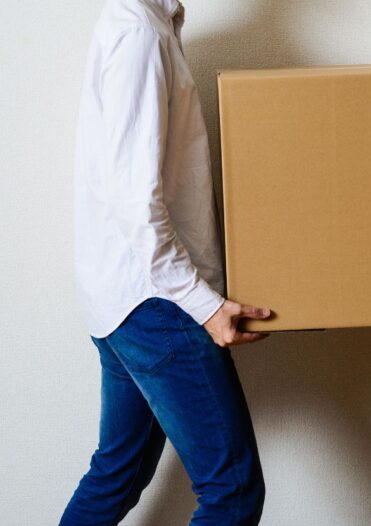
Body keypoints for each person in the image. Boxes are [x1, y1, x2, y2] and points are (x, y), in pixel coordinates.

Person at [60, 1, 271, 524]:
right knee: (234, 490)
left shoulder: (150, 24)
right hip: (157, 302)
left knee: (117, 475)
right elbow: (137, 204)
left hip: (128, 299)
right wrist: (205, 305)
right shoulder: (140, 35)